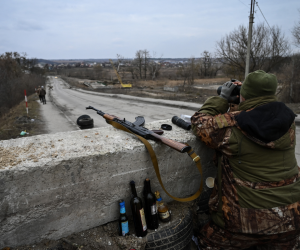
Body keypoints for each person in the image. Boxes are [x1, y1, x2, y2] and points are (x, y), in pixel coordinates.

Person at [191, 70, 299, 249]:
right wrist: (244, 100)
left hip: (243, 227)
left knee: (202, 240)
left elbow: (200, 123)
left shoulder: (233, 126)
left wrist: (223, 99)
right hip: (291, 222)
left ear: (245, 96)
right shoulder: (288, 121)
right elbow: (259, 115)